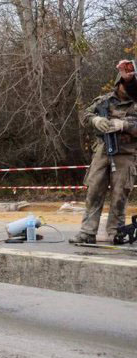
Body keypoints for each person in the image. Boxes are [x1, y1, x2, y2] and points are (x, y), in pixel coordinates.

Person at [70, 60, 137, 244]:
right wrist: (96, 120)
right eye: (125, 85)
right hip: (102, 151)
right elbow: (85, 116)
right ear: (118, 83)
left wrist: (125, 125)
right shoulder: (104, 101)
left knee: (119, 194)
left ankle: (116, 232)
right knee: (94, 191)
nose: (128, 89)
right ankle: (87, 232)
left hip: (125, 154)